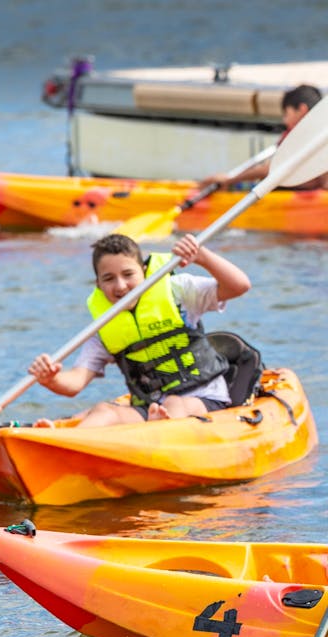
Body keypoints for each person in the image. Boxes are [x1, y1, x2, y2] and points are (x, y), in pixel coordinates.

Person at [28, 232, 251, 428]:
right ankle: (64, 445)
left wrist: (202, 256)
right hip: (149, 410)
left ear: (144, 271)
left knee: (174, 403)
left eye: (128, 274)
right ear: (98, 284)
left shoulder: (177, 292)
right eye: (109, 278)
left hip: (205, 399)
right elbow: (75, 382)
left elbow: (239, 285)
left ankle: (160, 429)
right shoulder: (104, 328)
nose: (120, 286)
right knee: (104, 411)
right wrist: (50, 379)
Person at [200, 84, 328, 191]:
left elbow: (273, 169)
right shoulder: (319, 132)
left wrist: (230, 180)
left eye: (286, 114)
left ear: (302, 110)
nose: (285, 121)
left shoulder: (306, 134)